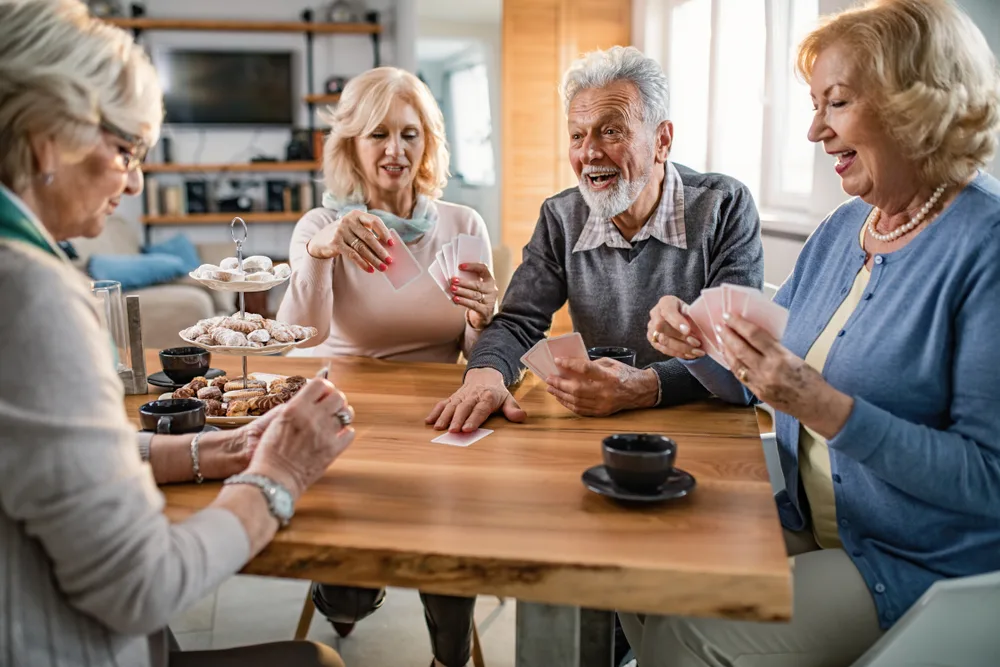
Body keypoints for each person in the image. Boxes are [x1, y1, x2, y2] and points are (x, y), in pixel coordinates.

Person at [637, 1, 1000, 664]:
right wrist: (704, 347)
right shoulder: (842, 230)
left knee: (692, 634)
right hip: (814, 523)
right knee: (639, 568)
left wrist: (822, 405)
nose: (813, 131)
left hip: (920, 561)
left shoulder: (988, 245)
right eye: (814, 104)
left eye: (835, 103)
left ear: (912, 103)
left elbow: (988, 479)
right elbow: (777, 377)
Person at [0, 2, 355, 665]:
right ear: (49, 131)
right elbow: (143, 587)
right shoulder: (31, 295)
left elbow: (41, 450)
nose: (135, 181)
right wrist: (277, 475)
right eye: (126, 149)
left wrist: (202, 451)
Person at [426, 46, 764, 434]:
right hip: (601, 425)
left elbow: (738, 355)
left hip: (707, 425)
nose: (589, 152)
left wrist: (643, 387)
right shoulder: (561, 216)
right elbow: (519, 322)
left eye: (611, 131)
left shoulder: (724, 206)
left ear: (661, 140)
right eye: (576, 135)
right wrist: (485, 376)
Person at [276, 67, 490, 667]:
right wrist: (324, 251)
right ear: (351, 144)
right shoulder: (319, 227)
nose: (395, 151)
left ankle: (447, 655)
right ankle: (346, 594)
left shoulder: (462, 224)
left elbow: (477, 357)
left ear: (428, 142)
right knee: (345, 598)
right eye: (378, 135)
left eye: (409, 134)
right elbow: (304, 333)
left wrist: (482, 317)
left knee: (450, 544)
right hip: (350, 417)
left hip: (436, 419)